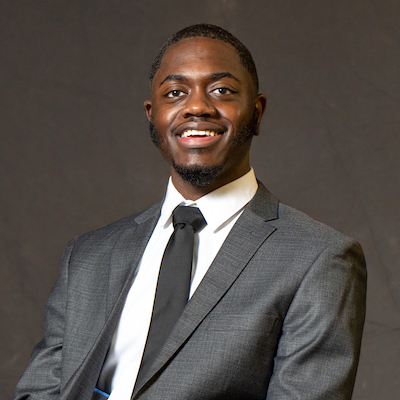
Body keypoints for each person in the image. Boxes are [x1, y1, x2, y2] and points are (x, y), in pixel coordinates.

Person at [14, 24, 367, 400]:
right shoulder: (87, 257)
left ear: (257, 112)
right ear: (153, 115)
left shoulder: (318, 258)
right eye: (176, 92)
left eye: (222, 90)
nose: (197, 106)